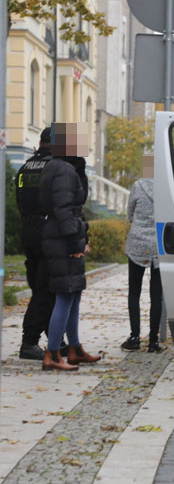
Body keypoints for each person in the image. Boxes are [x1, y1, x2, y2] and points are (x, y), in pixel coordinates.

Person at [39, 122, 101, 371]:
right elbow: (64, 211)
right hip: (63, 241)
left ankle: (74, 349)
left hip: (60, 237)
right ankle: (53, 354)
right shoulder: (63, 171)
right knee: (65, 297)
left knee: (73, 295)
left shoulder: (60, 167)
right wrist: (77, 242)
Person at [15, 127, 54, 360]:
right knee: (45, 290)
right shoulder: (54, 167)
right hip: (46, 232)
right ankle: (29, 341)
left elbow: (19, 200)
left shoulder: (25, 166)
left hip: (27, 231)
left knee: (40, 288)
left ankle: (54, 336)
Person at [120, 155, 164, 353]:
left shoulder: (138, 186)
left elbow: (130, 212)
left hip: (137, 242)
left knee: (134, 292)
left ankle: (135, 336)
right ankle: (153, 340)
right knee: (157, 294)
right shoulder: (168, 188)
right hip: (158, 244)